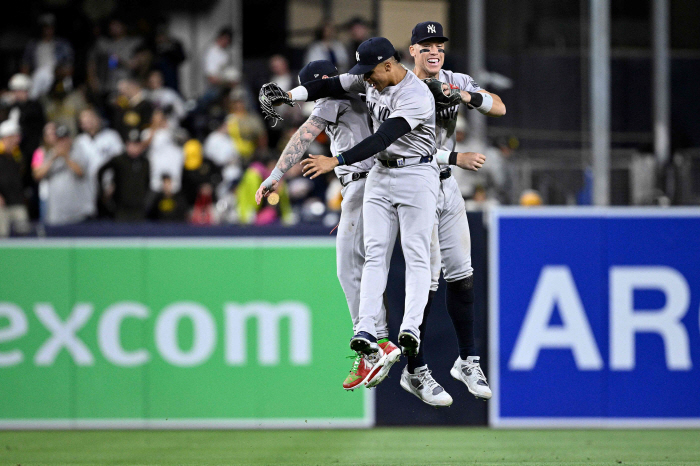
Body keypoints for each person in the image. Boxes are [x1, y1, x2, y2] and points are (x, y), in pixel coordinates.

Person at [265, 37, 444, 369]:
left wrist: (323, 163)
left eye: (369, 71)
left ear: (388, 64)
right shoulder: (361, 84)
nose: (365, 77)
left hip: (389, 178)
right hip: (376, 177)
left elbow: (374, 137)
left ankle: (382, 342)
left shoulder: (401, 96)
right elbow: (331, 84)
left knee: (358, 266)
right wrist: (289, 95)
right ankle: (376, 337)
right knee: (370, 260)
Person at [256, 60, 400, 389]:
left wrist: (275, 175)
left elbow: (303, 137)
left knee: (348, 268)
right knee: (365, 266)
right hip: (379, 182)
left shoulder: (335, 97)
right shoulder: (364, 91)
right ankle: (379, 340)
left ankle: (374, 345)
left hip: (364, 184)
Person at [401, 21, 506, 405]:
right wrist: (456, 156)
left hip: (446, 185)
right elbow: (402, 146)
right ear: (412, 50)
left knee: (462, 273)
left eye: (439, 45)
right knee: (425, 281)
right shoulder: (398, 87)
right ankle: (415, 369)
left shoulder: (454, 78)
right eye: (426, 45)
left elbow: (498, 105)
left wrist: (464, 94)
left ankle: (467, 359)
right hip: (413, 183)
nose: (434, 51)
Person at [32, 125, 92, 225]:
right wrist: (53, 158)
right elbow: (37, 175)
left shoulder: (78, 151)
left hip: (77, 210)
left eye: (65, 139)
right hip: (54, 208)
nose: (62, 143)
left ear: (70, 139)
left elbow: (81, 172)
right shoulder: (46, 153)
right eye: (60, 140)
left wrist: (66, 156)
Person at [97, 129, 151, 221]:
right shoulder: (119, 160)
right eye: (131, 144)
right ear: (126, 144)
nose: (134, 147)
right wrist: (103, 191)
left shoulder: (145, 162)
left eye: (136, 144)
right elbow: (101, 171)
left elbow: (147, 182)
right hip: (121, 208)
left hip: (139, 208)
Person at [21, 13, 74, 99]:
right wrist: (25, 81)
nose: (48, 30)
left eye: (50, 27)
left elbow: (69, 67)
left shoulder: (62, 44)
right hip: (39, 75)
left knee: (66, 84)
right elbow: (25, 66)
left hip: (58, 74)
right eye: (45, 27)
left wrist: (60, 74)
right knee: (38, 80)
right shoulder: (33, 45)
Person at [87, 18, 144, 95]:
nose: (113, 27)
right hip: (104, 85)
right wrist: (92, 79)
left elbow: (137, 64)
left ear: (124, 26)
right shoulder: (102, 43)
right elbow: (91, 62)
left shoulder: (134, 42)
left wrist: (120, 60)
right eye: (112, 25)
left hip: (125, 85)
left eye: (116, 25)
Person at [0, 120, 29, 236]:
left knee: (24, 233)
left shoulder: (17, 155)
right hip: (2, 204)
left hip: (17, 201)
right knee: (2, 235)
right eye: (13, 137)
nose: (16, 141)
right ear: (5, 138)